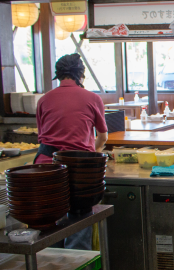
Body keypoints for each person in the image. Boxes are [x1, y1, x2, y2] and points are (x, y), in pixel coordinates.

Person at [35, 53, 108, 249]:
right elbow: (102, 137)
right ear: (80, 75)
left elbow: (43, 137)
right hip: (78, 171)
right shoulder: (92, 98)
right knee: (79, 219)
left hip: (45, 167)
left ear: (58, 76)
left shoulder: (43, 100)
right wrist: (94, 151)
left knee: (50, 224)